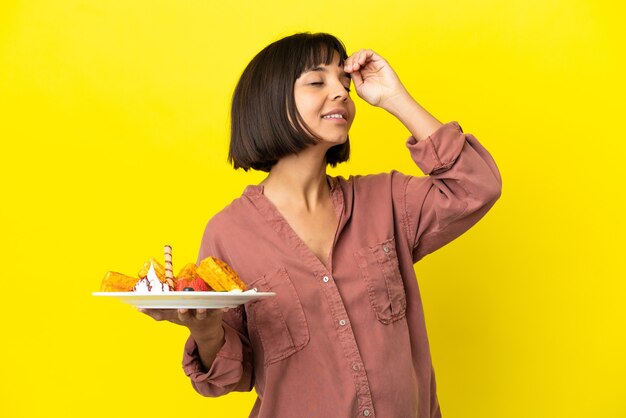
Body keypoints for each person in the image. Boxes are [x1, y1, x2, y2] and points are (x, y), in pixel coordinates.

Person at [140, 32, 501, 418]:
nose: (342, 93)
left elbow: (476, 185)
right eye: (317, 82)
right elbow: (229, 376)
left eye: (344, 83)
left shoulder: (387, 201)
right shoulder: (229, 233)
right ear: (270, 102)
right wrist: (207, 331)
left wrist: (396, 99)